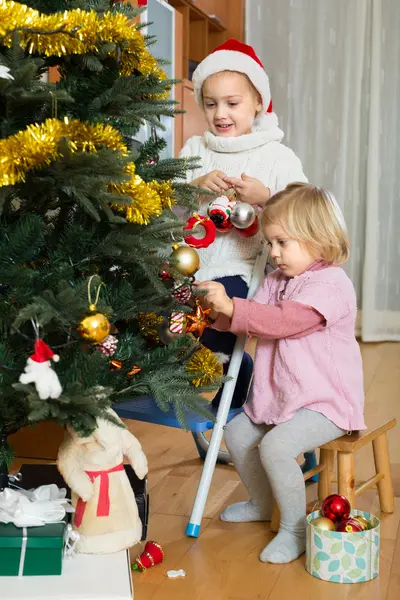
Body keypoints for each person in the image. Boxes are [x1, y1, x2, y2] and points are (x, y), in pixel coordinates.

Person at [195, 183, 365, 564]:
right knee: (236, 433)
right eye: (270, 243)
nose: (272, 253)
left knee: (276, 447)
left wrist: (235, 306)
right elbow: (250, 322)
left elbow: (285, 321)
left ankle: (295, 529)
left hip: (326, 403)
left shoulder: (331, 285)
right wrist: (216, 311)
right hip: (284, 398)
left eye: (281, 243)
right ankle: (262, 501)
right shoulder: (275, 282)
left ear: (317, 238)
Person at [180, 38, 307, 409]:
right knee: (165, 307)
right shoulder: (194, 150)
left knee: (212, 306)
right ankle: (225, 374)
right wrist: (192, 188)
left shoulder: (277, 156)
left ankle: (239, 372)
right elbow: (163, 203)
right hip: (187, 261)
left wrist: (266, 196)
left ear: (257, 103)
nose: (221, 113)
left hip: (243, 269)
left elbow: (303, 212)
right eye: (211, 103)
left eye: (232, 104)